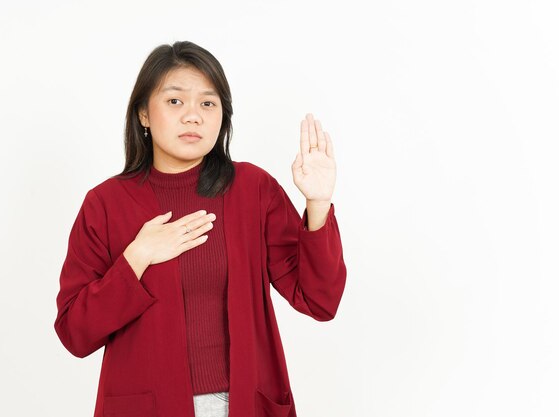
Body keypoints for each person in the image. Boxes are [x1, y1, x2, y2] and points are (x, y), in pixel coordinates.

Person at [53, 40, 347, 417]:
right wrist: (137, 257)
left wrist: (318, 205)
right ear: (143, 113)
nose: (193, 116)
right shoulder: (106, 204)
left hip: (244, 404)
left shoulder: (252, 189)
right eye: (175, 101)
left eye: (208, 103)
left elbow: (320, 301)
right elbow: (75, 334)